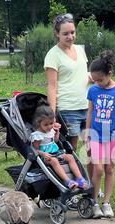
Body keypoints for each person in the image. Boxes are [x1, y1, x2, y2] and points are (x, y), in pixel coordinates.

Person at [84, 50, 115, 218]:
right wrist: (87, 134)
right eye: (94, 80)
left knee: (109, 168)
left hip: (113, 135)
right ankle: (94, 202)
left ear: (109, 74)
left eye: (100, 79)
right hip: (96, 135)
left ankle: (107, 203)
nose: (97, 83)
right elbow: (90, 113)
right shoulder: (93, 91)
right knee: (98, 169)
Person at [44, 13, 93, 151]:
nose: (70, 36)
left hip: (87, 105)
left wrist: (92, 77)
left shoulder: (79, 50)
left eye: (72, 32)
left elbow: (82, 73)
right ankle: (73, 173)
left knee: (91, 146)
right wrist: (51, 115)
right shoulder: (52, 55)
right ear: (57, 33)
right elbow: (52, 86)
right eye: (65, 33)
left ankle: (90, 173)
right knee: (72, 148)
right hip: (68, 109)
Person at [31, 105, 88, 190]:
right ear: (38, 123)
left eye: (51, 123)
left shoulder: (50, 130)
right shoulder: (37, 135)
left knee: (70, 157)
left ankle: (80, 179)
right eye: (46, 125)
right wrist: (43, 154)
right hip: (45, 157)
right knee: (54, 161)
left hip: (56, 152)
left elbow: (56, 141)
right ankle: (68, 181)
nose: (49, 126)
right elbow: (34, 149)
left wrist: (56, 133)